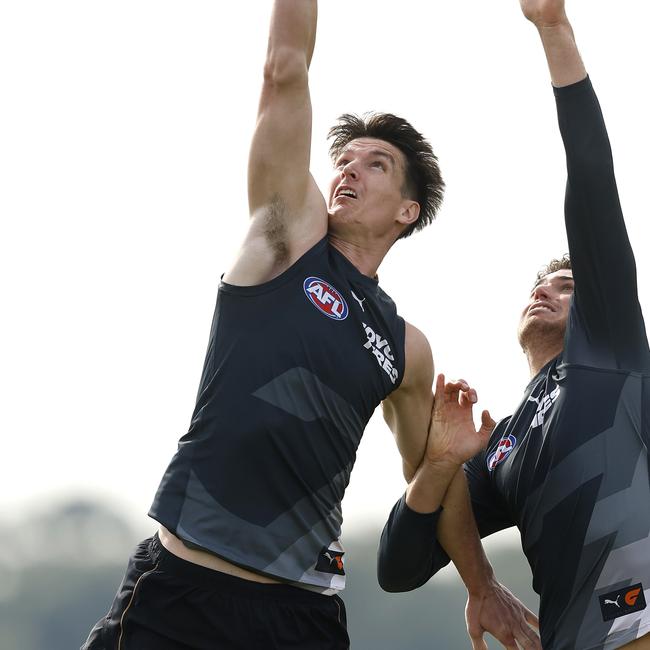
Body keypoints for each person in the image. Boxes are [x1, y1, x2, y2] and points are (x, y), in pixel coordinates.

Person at [81, 2, 539, 649]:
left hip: (304, 616)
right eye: (344, 159)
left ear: (408, 210)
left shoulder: (406, 348)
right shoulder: (285, 240)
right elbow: (283, 69)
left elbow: (430, 477)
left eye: (374, 163)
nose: (348, 168)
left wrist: (482, 583)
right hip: (189, 589)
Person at [377, 1, 650, 648]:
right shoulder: (502, 448)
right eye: (540, 284)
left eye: (568, 285)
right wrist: (440, 464)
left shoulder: (609, 347)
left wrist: (554, 29)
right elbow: (399, 565)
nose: (546, 290)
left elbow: (590, 178)